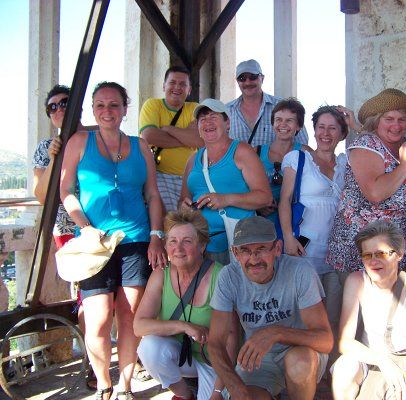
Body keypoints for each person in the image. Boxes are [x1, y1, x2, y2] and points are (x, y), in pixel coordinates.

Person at [60, 82, 166, 400]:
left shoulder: (140, 146)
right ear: (93, 110)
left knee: (130, 315)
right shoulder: (79, 142)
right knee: (98, 318)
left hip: (136, 238)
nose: (107, 111)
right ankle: (104, 383)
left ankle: (125, 385)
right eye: (101, 105)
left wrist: (156, 235)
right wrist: (84, 227)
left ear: (125, 109)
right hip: (95, 242)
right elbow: (66, 190)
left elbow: (152, 194)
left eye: (114, 105)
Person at [208, 216, 333, 400]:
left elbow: (325, 341)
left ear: (277, 249)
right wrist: (235, 387)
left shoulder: (300, 270)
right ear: (235, 253)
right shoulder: (228, 277)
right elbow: (215, 343)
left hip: (302, 350)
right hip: (260, 358)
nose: (254, 259)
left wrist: (275, 333)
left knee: (299, 362)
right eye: (245, 250)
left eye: (261, 249)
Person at [32, 84, 99, 390]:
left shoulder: (97, 137)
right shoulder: (46, 147)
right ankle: (94, 362)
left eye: (64, 103)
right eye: (53, 106)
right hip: (69, 230)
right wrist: (53, 158)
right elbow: (42, 195)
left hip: (103, 222)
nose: (59, 109)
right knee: (87, 296)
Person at [134, 208, 238, 400]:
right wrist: (184, 326)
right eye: (172, 241)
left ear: (202, 246)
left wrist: (218, 391)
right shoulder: (161, 274)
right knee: (149, 347)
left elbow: (232, 338)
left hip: (214, 360)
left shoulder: (220, 276)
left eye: (187, 241)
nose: (178, 248)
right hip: (181, 356)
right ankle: (184, 395)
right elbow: (139, 326)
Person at [332, 220, 406, 400]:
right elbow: (344, 343)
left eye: (381, 254)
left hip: (405, 367)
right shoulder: (357, 281)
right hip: (371, 361)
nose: (373, 261)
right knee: (344, 367)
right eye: (367, 255)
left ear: (399, 254)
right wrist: (382, 361)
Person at [327, 89, 406, 274]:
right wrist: (405, 165)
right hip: (362, 256)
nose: (396, 125)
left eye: (402, 119)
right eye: (389, 119)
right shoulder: (366, 144)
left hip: (397, 254)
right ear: (376, 121)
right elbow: (375, 193)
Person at [278, 106, 349, 347]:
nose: (325, 134)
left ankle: (329, 365)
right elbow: (285, 201)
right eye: (321, 127)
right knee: (302, 315)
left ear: (342, 133)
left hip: (337, 252)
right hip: (304, 250)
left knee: (334, 315)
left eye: (333, 128)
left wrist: (355, 125)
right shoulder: (299, 159)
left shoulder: (347, 163)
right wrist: (288, 238)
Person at [180, 98, 272, 265]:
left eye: (213, 117)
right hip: (199, 244)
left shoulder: (241, 151)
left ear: (227, 123)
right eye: (202, 119)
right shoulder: (192, 159)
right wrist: (185, 207)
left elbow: (265, 197)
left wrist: (225, 199)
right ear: (198, 128)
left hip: (237, 243)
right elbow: (182, 200)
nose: (208, 122)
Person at [139, 66, 202, 213]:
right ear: (164, 86)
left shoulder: (195, 108)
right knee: (170, 219)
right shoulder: (152, 105)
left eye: (183, 84)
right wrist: (187, 138)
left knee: (194, 220)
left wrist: (168, 129)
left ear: (189, 90)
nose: (177, 87)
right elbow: (149, 136)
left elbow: (200, 141)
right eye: (172, 82)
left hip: (191, 178)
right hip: (160, 175)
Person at [226, 59, 309, 146]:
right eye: (242, 78)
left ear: (262, 78)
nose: (247, 82)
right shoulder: (226, 111)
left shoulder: (283, 106)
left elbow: (302, 142)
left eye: (253, 77)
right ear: (237, 81)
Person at [255, 97, 311, 222]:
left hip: (295, 223)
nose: (283, 124)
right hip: (262, 225)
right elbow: (241, 186)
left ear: (299, 126)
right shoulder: (256, 152)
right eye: (278, 120)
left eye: (289, 120)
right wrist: (257, 205)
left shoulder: (306, 153)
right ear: (272, 123)